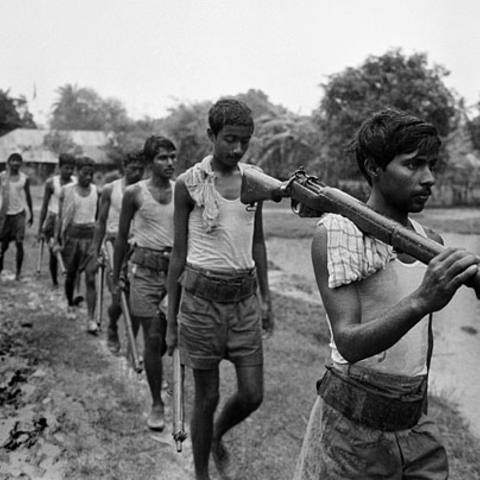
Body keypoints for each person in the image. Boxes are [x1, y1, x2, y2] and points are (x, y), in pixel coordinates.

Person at [293, 108, 480, 480]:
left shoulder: (431, 243)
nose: (428, 178)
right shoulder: (338, 235)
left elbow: (420, 348)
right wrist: (421, 300)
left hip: (413, 427)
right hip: (351, 433)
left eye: (430, 164)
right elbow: (348, 342)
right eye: (413, 165)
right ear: (374, 168)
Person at [166, 99, 273, 480]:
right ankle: (200, 476)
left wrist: (266, 298)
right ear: (211, 136)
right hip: (200, 303)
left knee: (252, 393)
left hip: (243, 300)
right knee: (206, 395)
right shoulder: (188, 183)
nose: (237, 149)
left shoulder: (254, 181)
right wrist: (172, 320)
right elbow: (178, 254)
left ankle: (216, 437)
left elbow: (257, 243)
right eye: (229, 139)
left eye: (244, 141)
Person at [112, 136, 176, 431]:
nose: (170, 163)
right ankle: (157, 403)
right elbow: (122, 236)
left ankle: (152, 365)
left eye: (173, 157)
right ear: (150, 163)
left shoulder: (182, 193)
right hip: (143, 273)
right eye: (163, 158)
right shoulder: (134, 193)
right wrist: (116, 275)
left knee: (164, 341)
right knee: (152, 338)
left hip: (172, 275)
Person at [90, 150, 146, 353]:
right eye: (133, 168)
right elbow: (100, 222)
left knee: (137, 299)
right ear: (124, 167)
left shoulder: (146, 191)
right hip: (114, 246)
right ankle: (112, 325)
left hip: (137, 247)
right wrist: (95, 251)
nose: (137, 172)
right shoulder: (109, 189)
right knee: (118, 297)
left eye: (141, 169)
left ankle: (132, 343)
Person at [55, 156, 99, 334]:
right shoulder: (67, 191)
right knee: (71, 275)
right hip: (72, 237)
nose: (88, 177)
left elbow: (99, 219)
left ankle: (90, 318)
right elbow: (61, 216)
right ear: (77, 172)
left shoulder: (97, 191)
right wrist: (57, 237)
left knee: (90, 278)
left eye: (91, 174)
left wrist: (99, 241)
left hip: (90, 239)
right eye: (84, 173)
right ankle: (70, 303)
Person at [37, 153, 76, 287]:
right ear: (60, 167)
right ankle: (54, 281)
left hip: (70, 221)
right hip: (53, 220)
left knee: (69, 252)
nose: (69, 171)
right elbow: (44, 206)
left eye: (72, 168)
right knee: (54, 252)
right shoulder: (51, 183)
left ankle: (69, 279)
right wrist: (40, 229)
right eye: (66, 168)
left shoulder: (76, 182)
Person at [0, 153, 34, 281]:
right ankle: (1, 268)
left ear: (21, 163)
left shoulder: (24, 178)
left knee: (19, 242)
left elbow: (28, 196)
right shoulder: (2, 177)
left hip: (19, 214)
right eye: (13, 160)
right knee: (3, 245)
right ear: (8, 162)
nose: (15, 163)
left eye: (18, 161)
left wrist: (31, 213)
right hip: (4, 214)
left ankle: (18, 273)